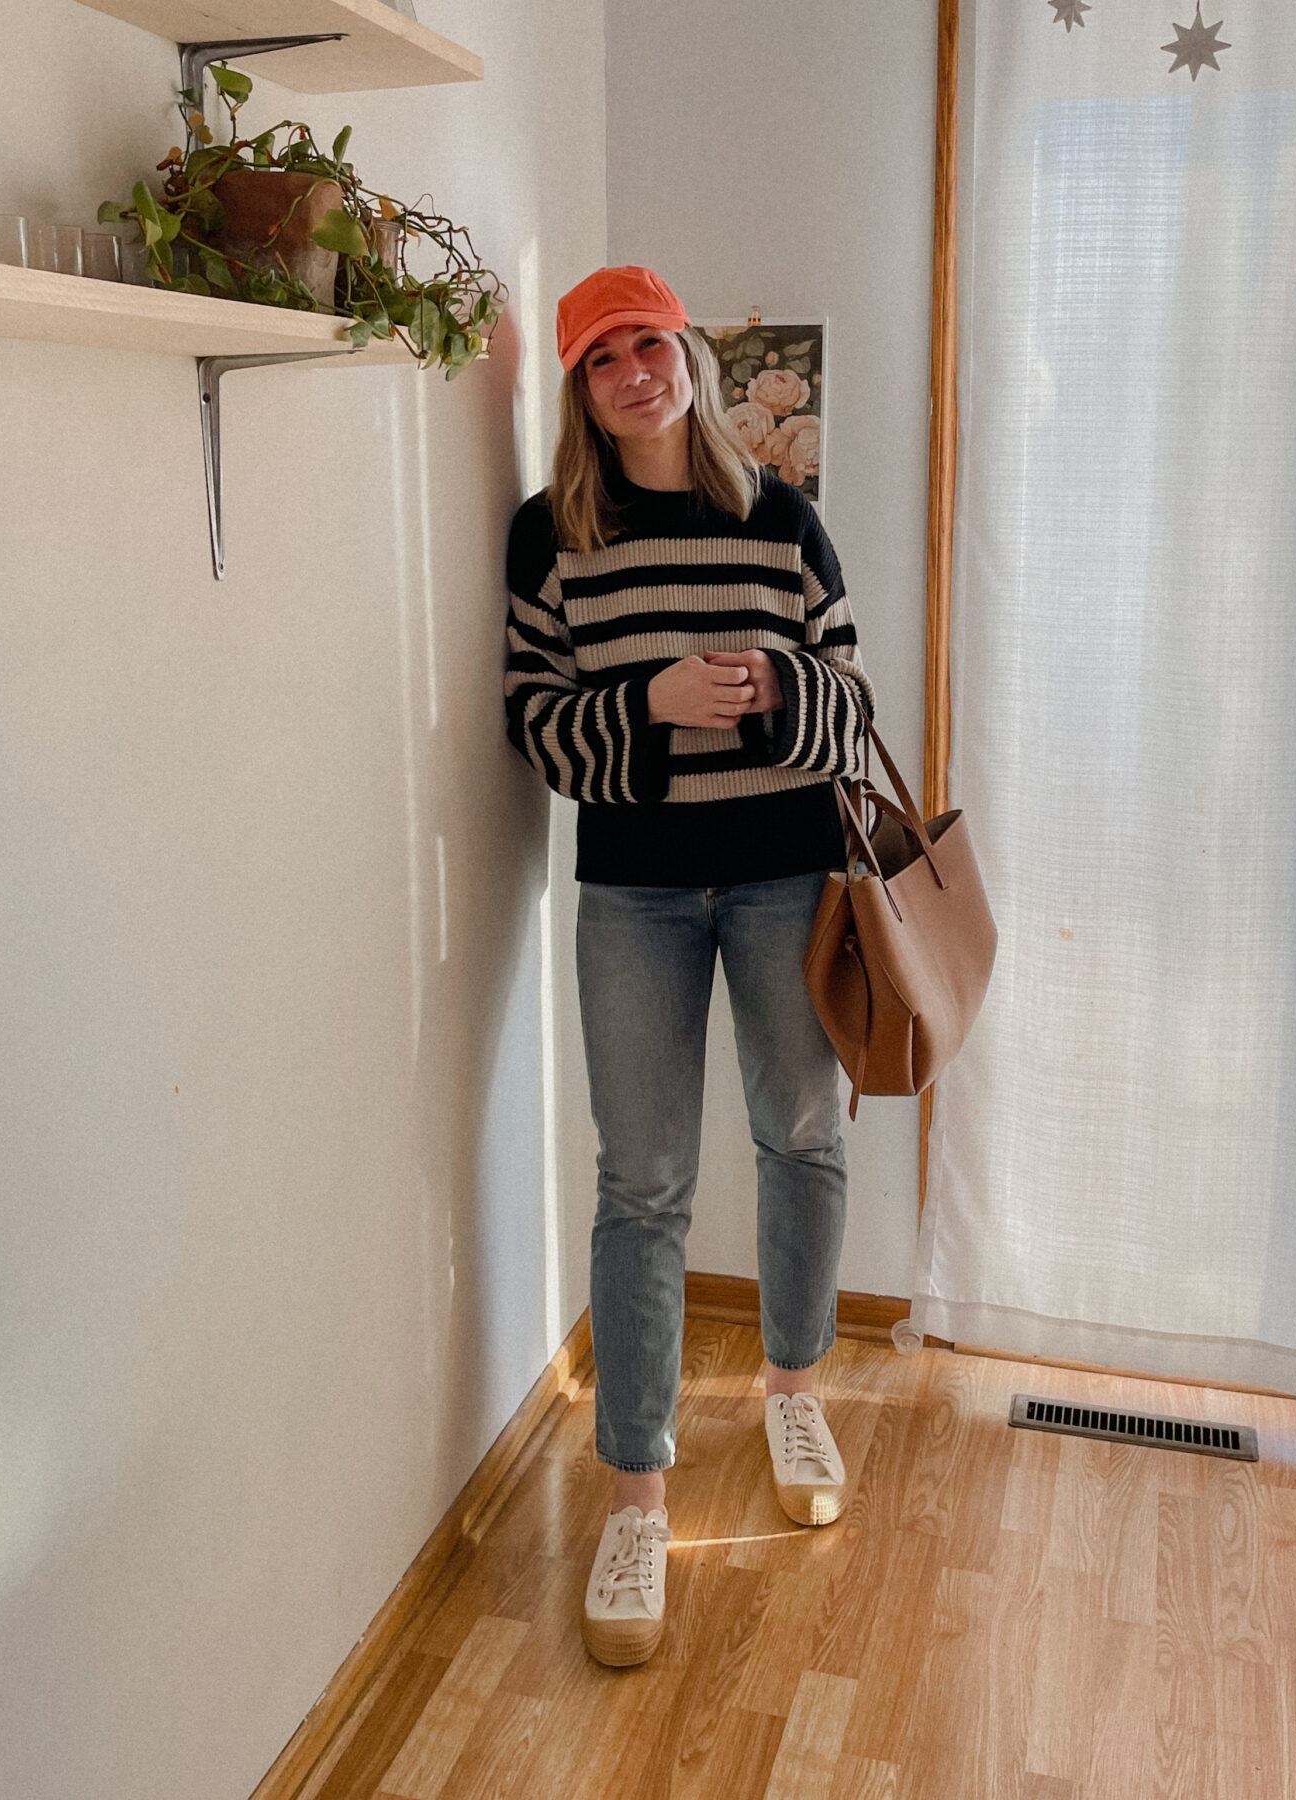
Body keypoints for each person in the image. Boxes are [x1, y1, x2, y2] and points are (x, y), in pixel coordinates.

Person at [503, 265, 874, 1668]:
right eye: (605, 359)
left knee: (802, 1132)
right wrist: (648, 706)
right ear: (581, 390)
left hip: (787, 877)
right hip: (637, 893)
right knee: (642, 1183)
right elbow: (536, 728)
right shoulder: (550, 537)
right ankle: (638, 1495)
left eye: (651, 345)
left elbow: (852, 708)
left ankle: (791, 1387)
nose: (637, 373)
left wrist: (781, 693)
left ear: (691, 362)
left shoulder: (781, 517)